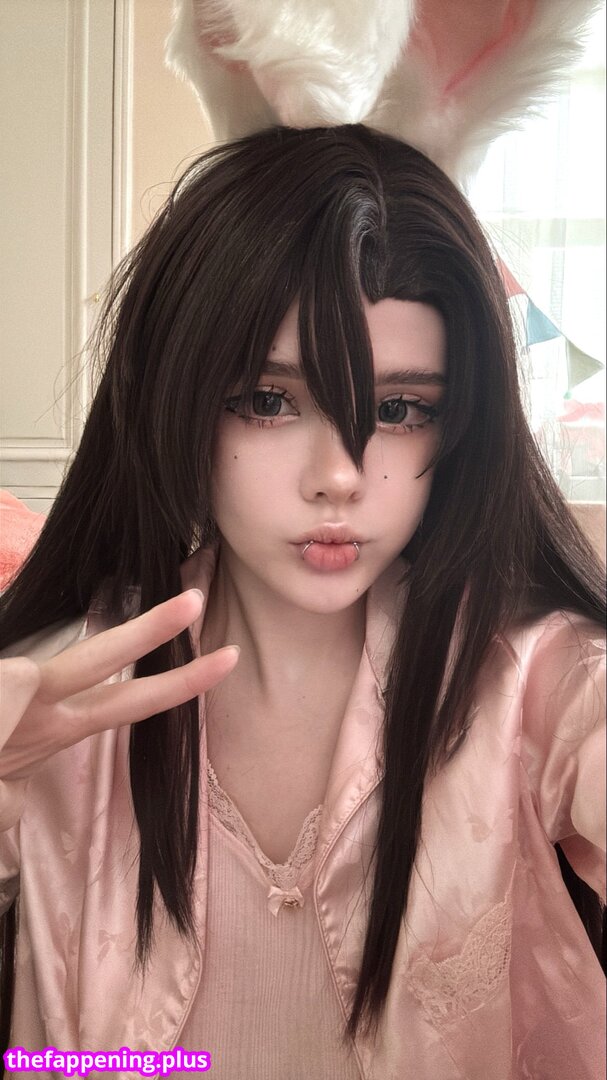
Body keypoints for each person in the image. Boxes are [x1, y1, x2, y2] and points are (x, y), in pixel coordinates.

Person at [0, 125, 604, 1079]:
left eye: (400, 410)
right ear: (177, 397)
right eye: (269, 400)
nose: (339, 476)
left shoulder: (535, 680)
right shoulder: (58, 699)